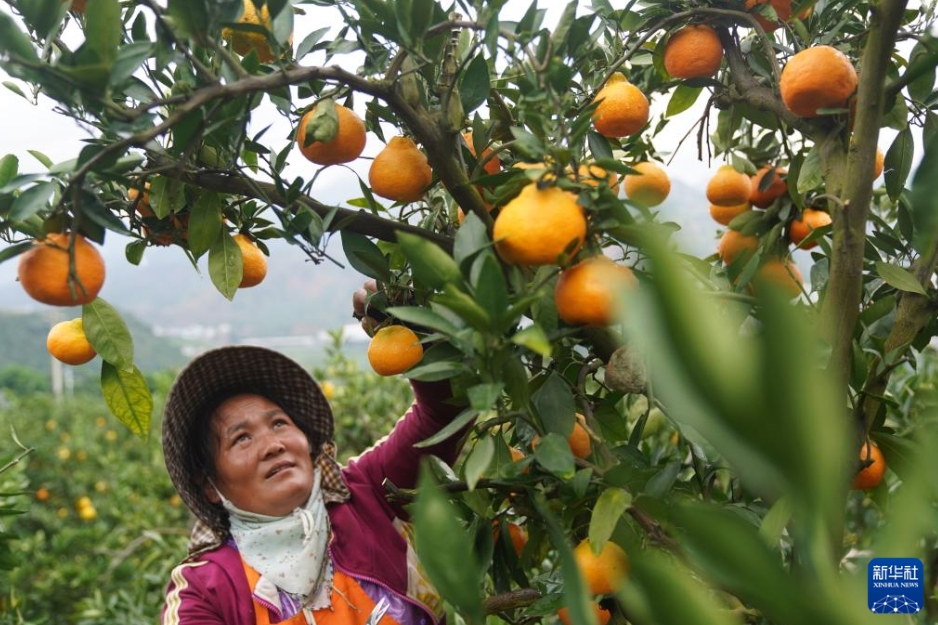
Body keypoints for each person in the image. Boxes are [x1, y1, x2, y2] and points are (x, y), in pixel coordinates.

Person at [160, 285, 465, 625]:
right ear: (210, 486)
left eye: (279, 423)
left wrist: (410, 324)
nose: (273, 444)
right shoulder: (203, 589)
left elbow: (444, 415)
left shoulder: (365, 494)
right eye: (242, 438)